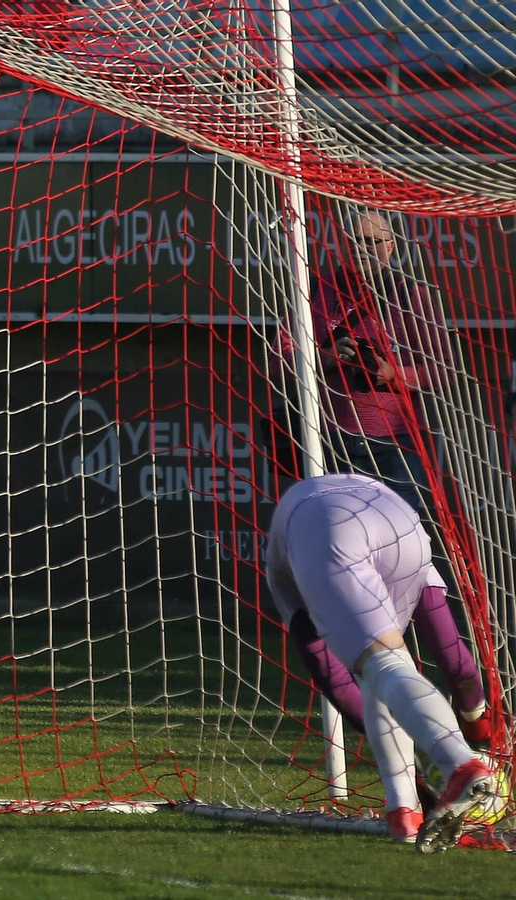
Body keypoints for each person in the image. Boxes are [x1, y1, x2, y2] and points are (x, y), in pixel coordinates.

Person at [264, 472, 494, 850]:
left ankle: (460, 766)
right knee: (383, 671)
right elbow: (451, 650)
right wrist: (478, 720)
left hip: (323, 524)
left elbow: (331, 675)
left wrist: (464, 752)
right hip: (400, 520)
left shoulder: (285, 567)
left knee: (381, 665)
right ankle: (404, 812)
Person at [280, 210, 449, 514]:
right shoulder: (315, 290)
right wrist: (324, 360)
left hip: (395, 443)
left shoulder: (410, 294)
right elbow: (278, 357)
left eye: (372, 241)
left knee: (400, 530)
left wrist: (394, 374)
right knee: (333, 528)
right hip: (328, 438)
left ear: (391, 246)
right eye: (355, 240)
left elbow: (444, 369)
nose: (362, 248)